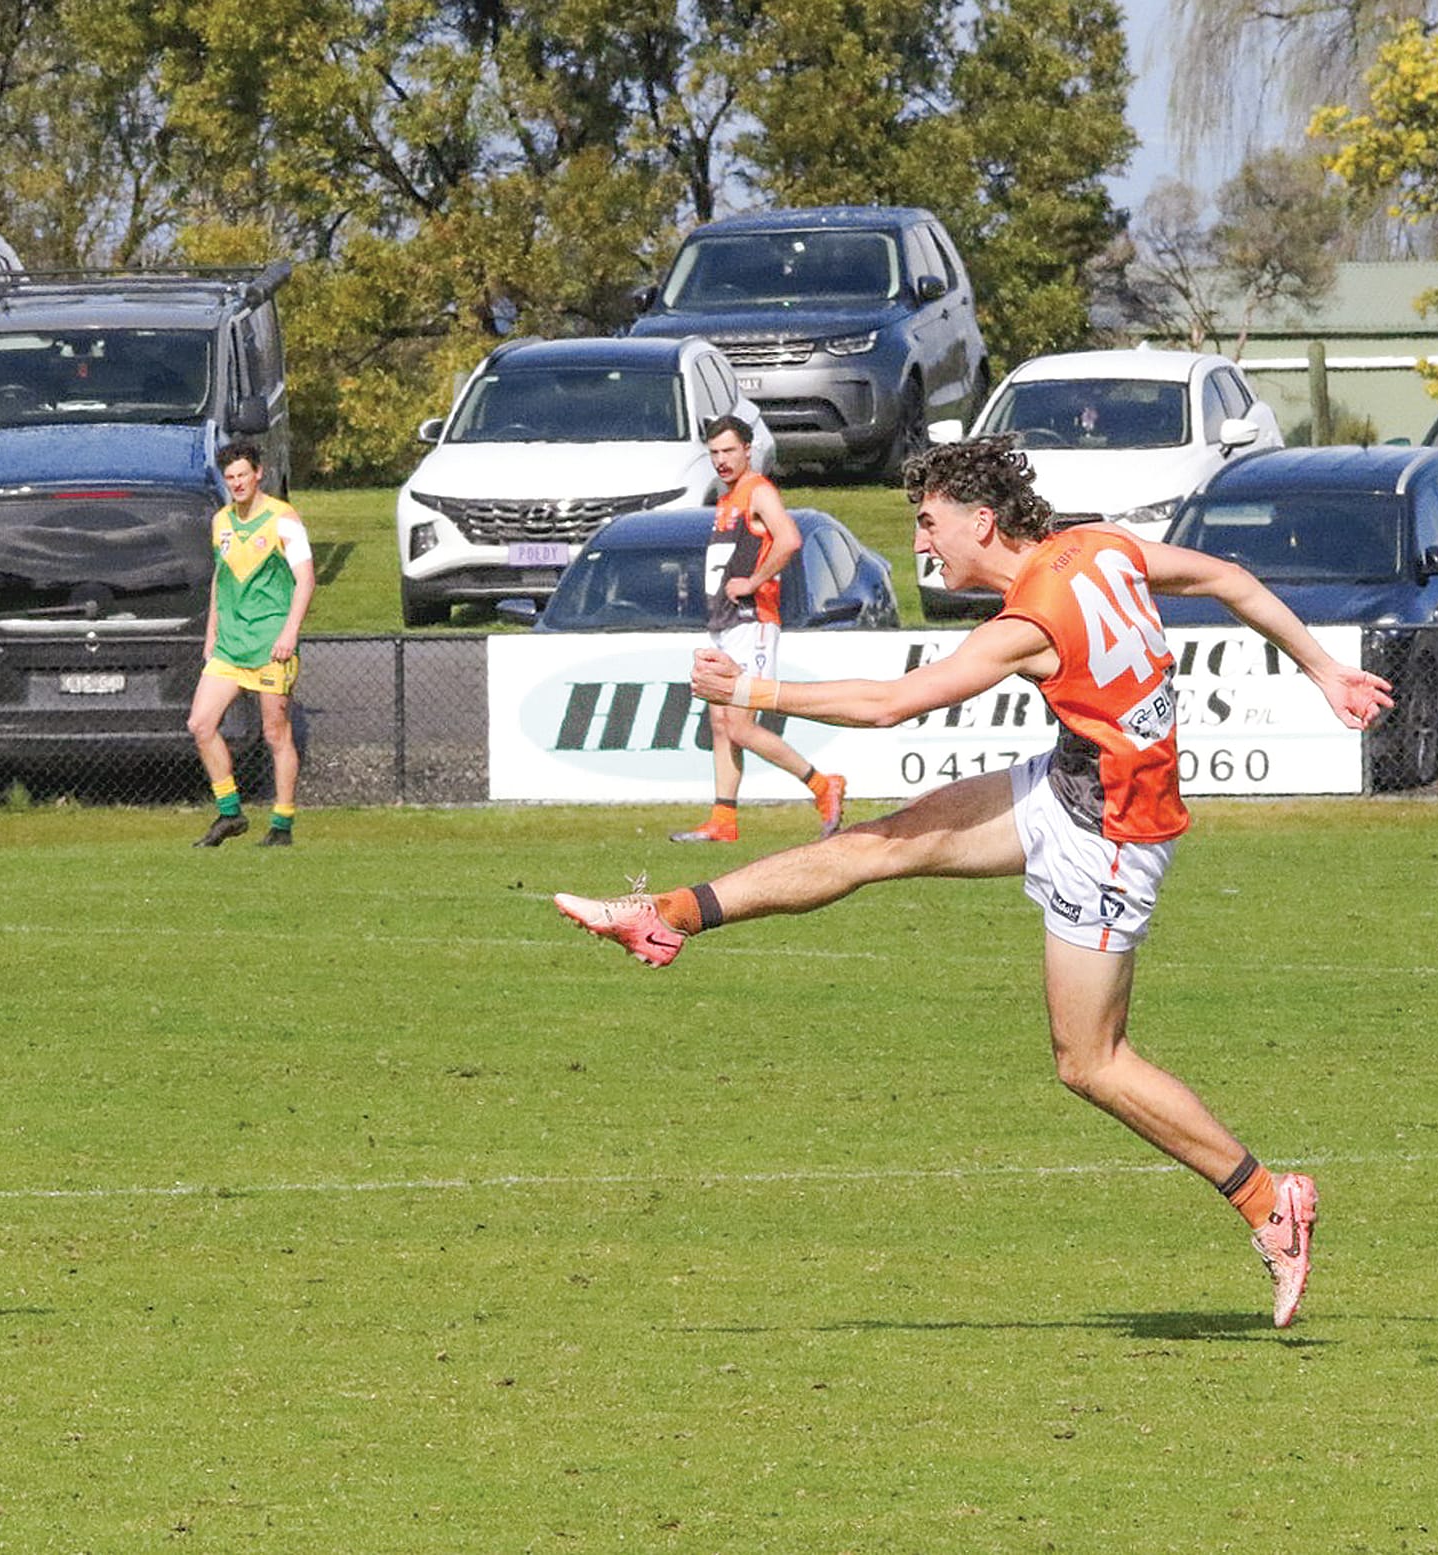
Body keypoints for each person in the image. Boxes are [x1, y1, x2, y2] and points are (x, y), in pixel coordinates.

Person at [555, 437, 1393, 1328]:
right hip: (1072, 781)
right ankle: (668, 912)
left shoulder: (1026, 625)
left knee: (1091, 1061)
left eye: (928, 522)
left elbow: (888, 705)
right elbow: (1228, 577)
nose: (922, 545)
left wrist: (753, 687)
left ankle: (1271, 1203)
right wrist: (1322, 666)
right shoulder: (1100, 545)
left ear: (981, 520)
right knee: (878, 844)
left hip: (1108, 835)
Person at [670, 414, 846, 844]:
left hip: (753, 622)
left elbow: (788, 539)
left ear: (748, 449)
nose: (721, 460)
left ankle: (823, 786)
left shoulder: (759, 492)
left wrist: (753, 582)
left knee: (741, 726)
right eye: (713, 453)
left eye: (729, 450)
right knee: (720, 722)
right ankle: (723, 820)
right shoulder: (727, 498)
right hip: (725, 624)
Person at [187, 442, 316, 847]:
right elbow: (219, 580)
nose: (237, 483)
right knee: (200, 724)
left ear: (258, 473)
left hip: (269, 644)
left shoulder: (283, 519)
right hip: (230, 645)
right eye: (230, 477)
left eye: (243, 474)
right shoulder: (221, 521)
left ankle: (282, 825)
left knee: (276, 734)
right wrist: (212, 632)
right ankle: (230, 814)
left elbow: (307, 579)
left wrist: (289, 632)